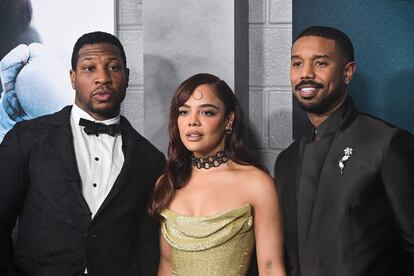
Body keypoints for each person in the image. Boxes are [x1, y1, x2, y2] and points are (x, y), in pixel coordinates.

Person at [0, 31, 165, 275]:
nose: (102, 78)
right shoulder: (27, 138)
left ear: (127, 77)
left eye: (113, 67)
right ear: (72, 78)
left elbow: (147, 242)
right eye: (89, 68)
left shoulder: (150, 159)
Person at [274, 25, 414, 276]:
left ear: (347, 72)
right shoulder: (286, 161)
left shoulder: (386, 143)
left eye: (320, 63)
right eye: (296, 64)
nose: (305, 74)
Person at [150, 73, 286, 276]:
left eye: (206, 112)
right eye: (184, 112)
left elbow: (270, 268)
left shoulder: (256, 184)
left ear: (228, 120)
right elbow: (166, 268)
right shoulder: (168, 182)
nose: (192, 121)